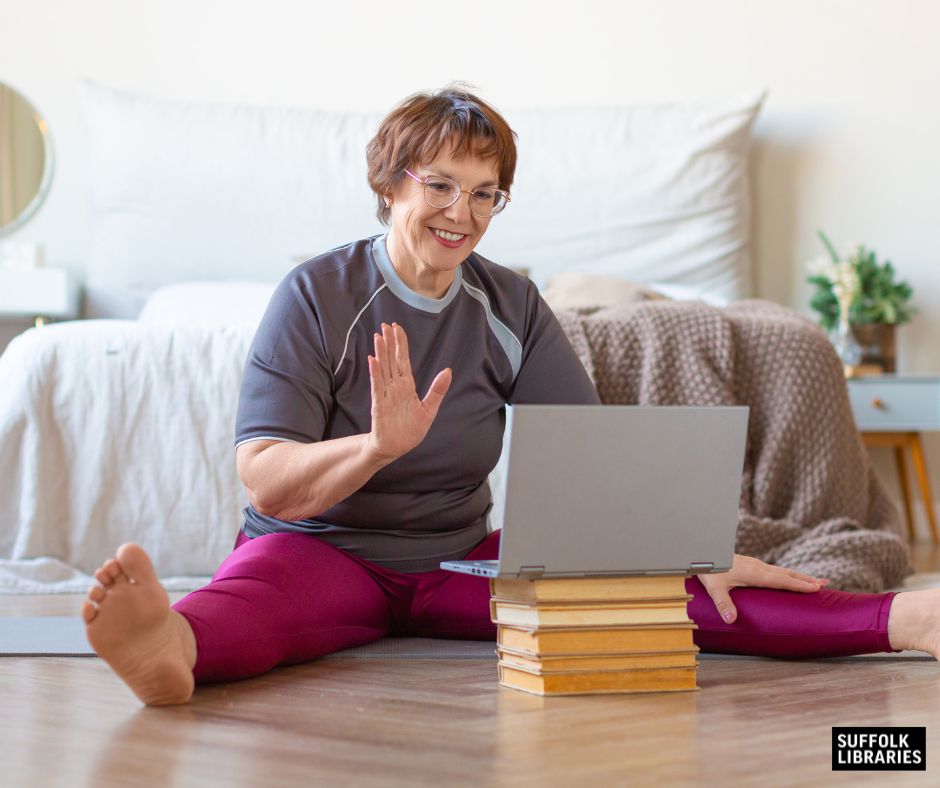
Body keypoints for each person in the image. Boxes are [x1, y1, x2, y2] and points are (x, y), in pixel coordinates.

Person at [83, 86, 940, 706]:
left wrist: (691, 548)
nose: (464, 211)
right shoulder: (316, 296)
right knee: (252, 604)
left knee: (671, 597)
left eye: (486, 192)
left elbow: (592, 460)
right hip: (321, 550)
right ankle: (169, 649)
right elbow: (264, 479)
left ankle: (908, 619)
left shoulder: (512, 305)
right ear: (391, 184)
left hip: (458, 558)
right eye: (441, 184)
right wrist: (377, 447)